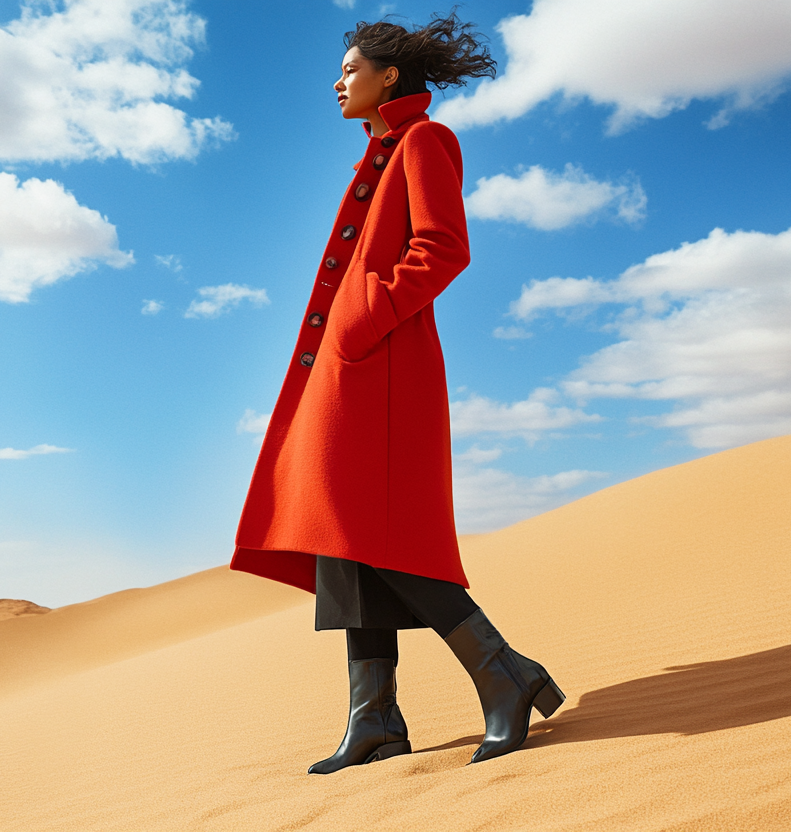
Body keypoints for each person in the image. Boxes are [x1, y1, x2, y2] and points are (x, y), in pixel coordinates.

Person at [230, 13, 564, 775]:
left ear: (389, 77)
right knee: (341, 534)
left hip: (382, 363)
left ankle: (503, 672)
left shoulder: (424, 141)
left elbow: (444, 248)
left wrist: (363, 310)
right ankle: (372, 716)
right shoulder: (378, 152)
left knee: (378, 529)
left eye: (351, 69)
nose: (338, 82)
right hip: (344, 368)